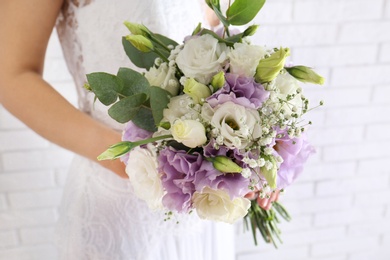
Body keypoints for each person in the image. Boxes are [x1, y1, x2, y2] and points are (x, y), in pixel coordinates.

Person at [0, 1, 277, 259]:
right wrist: (127, 158)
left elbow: (219, 43)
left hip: (208, 208)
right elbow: (10, 74)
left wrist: (253, 152)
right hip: (118, 209)